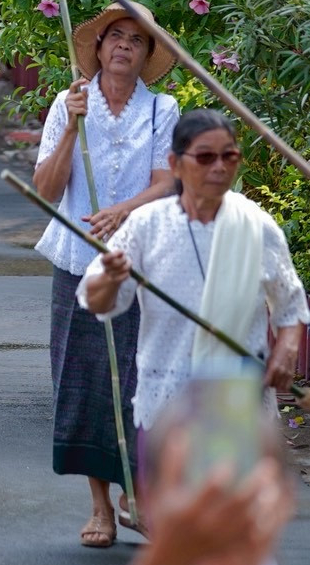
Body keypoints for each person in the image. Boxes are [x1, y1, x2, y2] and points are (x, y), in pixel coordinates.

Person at [33, 2, 181, 548]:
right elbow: (47, 193)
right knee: (86, 379)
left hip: (141, 262)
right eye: (113, 37)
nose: (122, 45)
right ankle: (99, 505)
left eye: (135, 41)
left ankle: (137, 497)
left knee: (143, 380)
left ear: (145, 56)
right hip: (78, 261)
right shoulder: (68, 103)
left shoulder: (160, 109)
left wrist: (124, 210)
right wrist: (72, 128)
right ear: (97, 49)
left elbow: (167, 182)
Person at [78, 109, 308, 433]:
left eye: (229, 156)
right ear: (175, 165)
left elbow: (291, 306)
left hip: (239, 405)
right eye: (205, 157)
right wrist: (111, 280)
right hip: (167, 408)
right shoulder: (146, 225)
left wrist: (287, 349)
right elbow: (97, 301)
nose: (219, 167)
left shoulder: (257, 226)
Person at [53, 397, 310, 565]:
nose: (215, 508)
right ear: (149, 500)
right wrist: (166, 564)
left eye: (240, 483)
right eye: (190, 483)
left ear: (284, 499)